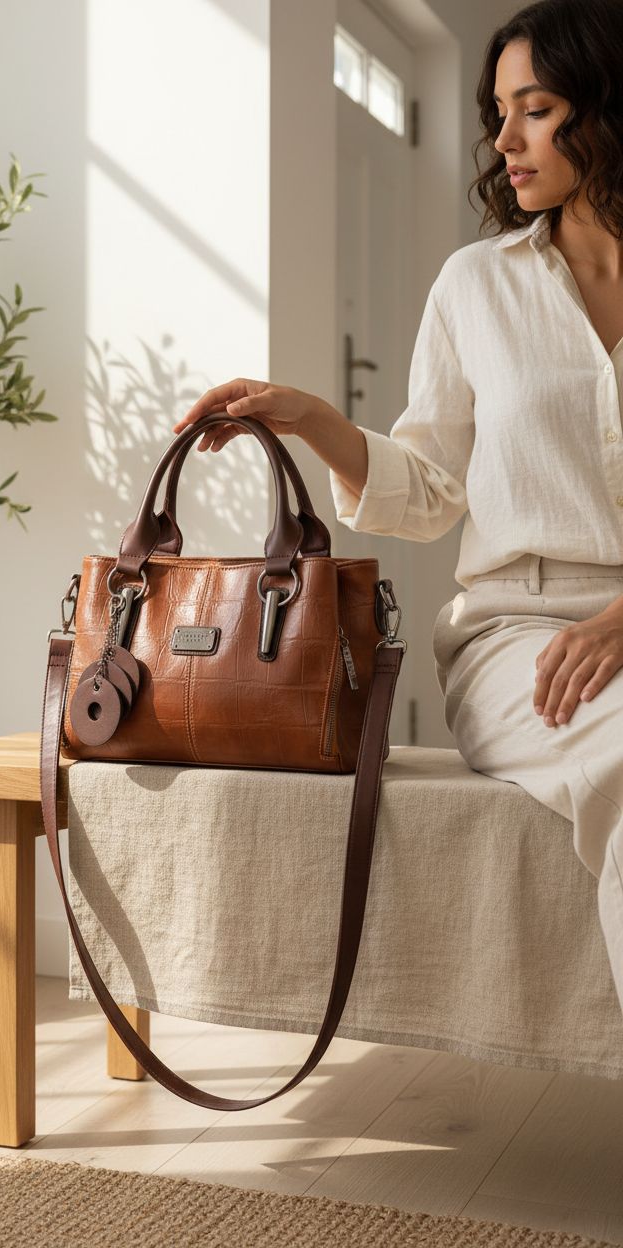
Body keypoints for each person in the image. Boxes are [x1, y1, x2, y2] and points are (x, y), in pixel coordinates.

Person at [170, 0, 623, 1017]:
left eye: (536, 108)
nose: (503, 140)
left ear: (603, 111)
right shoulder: (476, 287)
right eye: (495, 112)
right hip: (526, 639)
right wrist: (312, 417)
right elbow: (425, 494)